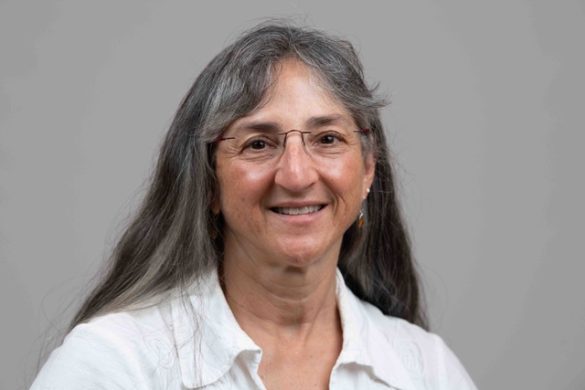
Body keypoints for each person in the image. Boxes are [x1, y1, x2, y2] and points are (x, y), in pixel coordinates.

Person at [31, 21, 477, 389]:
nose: (297, 175)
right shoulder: (116, 364)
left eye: (327, 139)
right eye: (259, 144)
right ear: (208, 183)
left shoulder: (426, 370)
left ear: (367, 171)